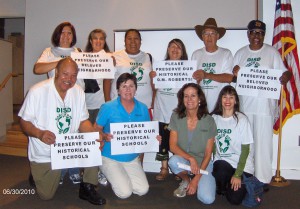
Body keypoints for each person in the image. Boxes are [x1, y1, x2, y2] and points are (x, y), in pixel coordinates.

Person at [18, 58, 106, 205]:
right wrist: (39, 133)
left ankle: (88, 186)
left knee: (93, 142)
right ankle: (39, 174)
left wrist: (93, 133)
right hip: (46, 152)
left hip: (69, 149)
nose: (69, 79)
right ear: (56, 72)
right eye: (65, 74)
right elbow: (24, 122)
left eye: (73, 76)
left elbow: (82, 121)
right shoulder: (37, 91)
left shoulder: (78, 91)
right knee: (46, 195)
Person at [232, 20, 291, 187]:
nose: (256, 36)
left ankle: (263, 179)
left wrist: (286, 77)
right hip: (245, 107)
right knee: (246, 144)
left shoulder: (272, 52)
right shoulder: (240, 53)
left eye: (260, 33)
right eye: (253, 32)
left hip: (265, 107)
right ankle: (247, 176)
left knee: (263, 145)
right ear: (248, 34)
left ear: (263, 35)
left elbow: (285, 72)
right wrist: (235, 72)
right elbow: (232, 77)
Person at [95, 73, 161, 199]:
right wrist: (103, 136)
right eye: (124, 86)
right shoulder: (108, 107)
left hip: (131, 158)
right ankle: (104, 171)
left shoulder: (143, 108)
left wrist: (153, 139)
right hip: (110, 156)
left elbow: (146, 134)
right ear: (118, 90)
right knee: (125, 193)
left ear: (136, 89)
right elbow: (96, 128)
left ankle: (119, 175)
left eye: (131, 86)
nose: (128, 89)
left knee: (143, 190)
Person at [33, 21, 82, 184]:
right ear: (57, 35)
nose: (66, 36)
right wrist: (62, 63)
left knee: (74, 133)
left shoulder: (79, 51)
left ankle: (74, 169)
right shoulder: (49, 51)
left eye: (69, 33)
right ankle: (58, 170)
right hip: (55, 98)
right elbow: (38, 69)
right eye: (63, 32)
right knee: (59, 132)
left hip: (75, 97)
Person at [103, 28, 154, 165]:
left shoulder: (147, 57)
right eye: (129, 38)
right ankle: (113, 165)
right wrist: (108, 102)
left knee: (140, 139)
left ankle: (138, 166)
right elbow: (107, 80)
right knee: (116, 137)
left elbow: (152, 80)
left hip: (143, 106)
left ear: (140, 41)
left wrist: (154, 100)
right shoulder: (115, 56)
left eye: (136, 38)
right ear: (124, 41)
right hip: (119, 106)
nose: (133, 41)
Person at [168, 83, 217, 204]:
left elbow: (207, 154)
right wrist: (190, 158)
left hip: (203, 164)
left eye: (193, 96)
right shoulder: (176, 116)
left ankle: (195, 181)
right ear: (182, 99)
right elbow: (172, 146)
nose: (189, 99)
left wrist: (197, 179)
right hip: (186, 162)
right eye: (186, 96)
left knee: (207, 199)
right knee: (173, 161)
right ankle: (186, 180)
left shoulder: (209, 120)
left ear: (200, 99)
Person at [150, 39, 188, 181]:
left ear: (182, 51)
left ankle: (180, 170)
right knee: (163, 141)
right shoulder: (160, 66)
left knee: (179, 143)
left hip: (179, 113)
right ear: (168, 50)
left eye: (178, 47)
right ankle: (164, 168)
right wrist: (152, 79)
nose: (175, 49)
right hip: (162, 109)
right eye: (172, 47)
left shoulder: (187, 68)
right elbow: (154, 89)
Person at [77, 28, 111, 186]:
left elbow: (108, 82)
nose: (98, 41)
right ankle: (85, 170)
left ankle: (100, 171)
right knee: (87, 140)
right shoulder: (81, 58)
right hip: (84, 106)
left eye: (101, 39)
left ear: (104, 41)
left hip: (100, 105)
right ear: (90, 41)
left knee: (100, 140)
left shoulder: (109, 58)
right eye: (95, 39)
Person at [211, 85, 254, 205]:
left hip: (242, 166)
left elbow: (245, 150)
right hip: (223, 164)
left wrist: (238, 174)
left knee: (235, 200)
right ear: (220, 100)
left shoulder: (242, 120)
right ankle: (223, 186)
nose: (227, 101)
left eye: (231, 97)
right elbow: (212, 145)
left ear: (236, 100)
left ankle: (238, 183)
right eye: (224, 97)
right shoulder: (214, 118)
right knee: (219, 167)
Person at [192, 17, 234, 113]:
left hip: (220, 106)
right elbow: (193, 81)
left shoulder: (226, 53)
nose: (209, 37)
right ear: (202, 37)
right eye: (206, 33)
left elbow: (229, 78)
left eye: (212, 33)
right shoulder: (196, 54)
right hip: (201, 107)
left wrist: (206, 75)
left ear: (217, 36)